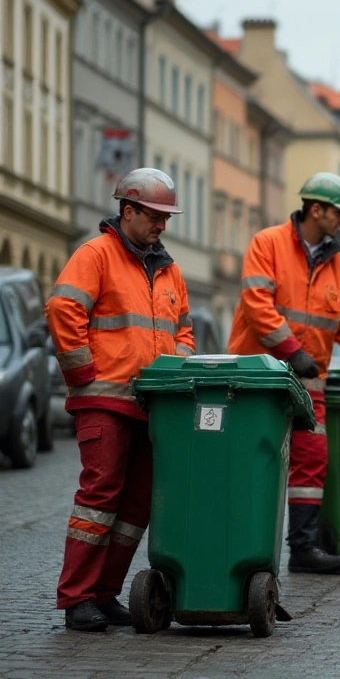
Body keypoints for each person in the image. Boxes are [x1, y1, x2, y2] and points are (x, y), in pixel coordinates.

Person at [47, 169, 196, 631]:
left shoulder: (168, 268)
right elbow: (62, 308)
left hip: (152, 406)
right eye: (154, 216)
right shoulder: (96, 255)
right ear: (127, 211)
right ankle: (77, 599)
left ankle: (105, 594)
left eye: (166, 218)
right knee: (100, 498)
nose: (162, 226)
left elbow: (184, 330)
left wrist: (177, 369)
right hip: (105, 401)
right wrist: (83, 373)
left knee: (136, 505)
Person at [227, 171, 340, 574]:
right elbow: (256, 305)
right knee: (252, 459)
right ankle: (239, 543)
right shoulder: (268, 244)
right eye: (338, 212)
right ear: (315, 209)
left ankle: (302, 548)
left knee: (311, 459)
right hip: (259, 378)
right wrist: (292, 350)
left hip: (307, 381)